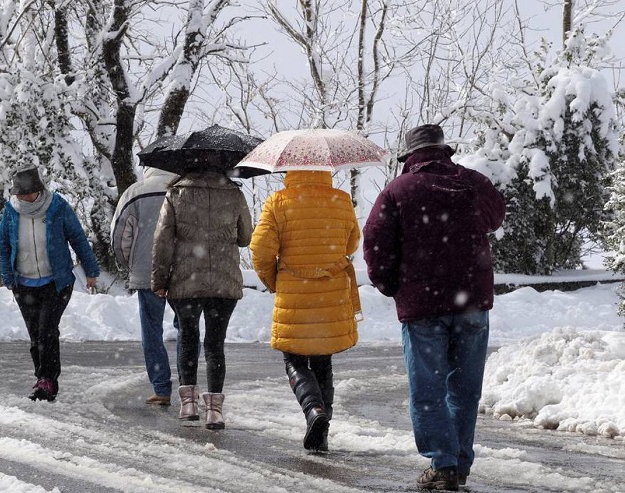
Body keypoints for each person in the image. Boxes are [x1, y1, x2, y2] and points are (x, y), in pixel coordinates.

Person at [362, 124, 505, 490]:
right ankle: (458, 463)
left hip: (422, 305)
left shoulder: (397, 190)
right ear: (444, 151)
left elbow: (375, 242)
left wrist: (391, 285)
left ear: (410, 156)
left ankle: (443, 464)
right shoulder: (472, 182)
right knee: (465, 390)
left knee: (428, 389)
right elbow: (495, 217)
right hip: (472, 302)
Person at [250, 170, 361, 452]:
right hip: (331, 291)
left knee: (295, 358)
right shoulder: (341, 199)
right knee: (323, 359)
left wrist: (273, 280)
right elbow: (351, 243)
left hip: (294, 292)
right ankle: (322, 434)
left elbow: (260, 249)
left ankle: (314, 410)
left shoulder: (278, 201)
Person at [151, 169, 252, 429]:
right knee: (215, 344)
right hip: (223, 280)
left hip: (187, 279)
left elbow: (163, 239)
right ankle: (215, 411)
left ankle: (188, 405)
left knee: (188, 336)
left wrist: (159, 279)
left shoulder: (176, 193)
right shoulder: (234, 193)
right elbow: (246, 238)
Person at [0, 165, 100, 402]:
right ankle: (41, 378)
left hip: (56, 282)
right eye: (19, 194)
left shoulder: (57, 206)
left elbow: (77, 238)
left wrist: (91, 270)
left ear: (38, 189)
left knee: (47, 331)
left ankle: (48, 380)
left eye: (26, 193)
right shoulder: (11, 210)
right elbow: (3, 245)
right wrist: (8, 277)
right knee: (35, 335)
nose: (22, 198)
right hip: (24, 284)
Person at [111, 166, 182, 406]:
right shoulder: (183, 190)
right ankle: (188, 386)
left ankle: (161, 388)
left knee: (152, 330)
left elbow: (120, 237)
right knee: (185, 328)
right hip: (183, 271)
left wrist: (131, 263)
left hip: (146, 270)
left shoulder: (135, 193)